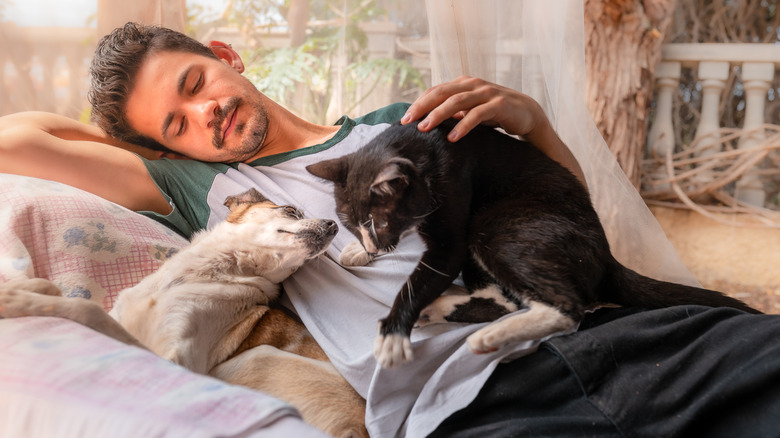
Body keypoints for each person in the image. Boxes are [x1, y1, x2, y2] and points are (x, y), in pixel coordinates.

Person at [1, 22, 779, 437]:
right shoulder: (201, 184)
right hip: (467, 408)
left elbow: (565, 223)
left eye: (196, 83)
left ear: (227, 56)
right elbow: (21, 140)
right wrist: (136, 145)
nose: (203, 112)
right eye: (176, 122)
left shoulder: (397, 124)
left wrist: (535, 124)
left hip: (611, 338)